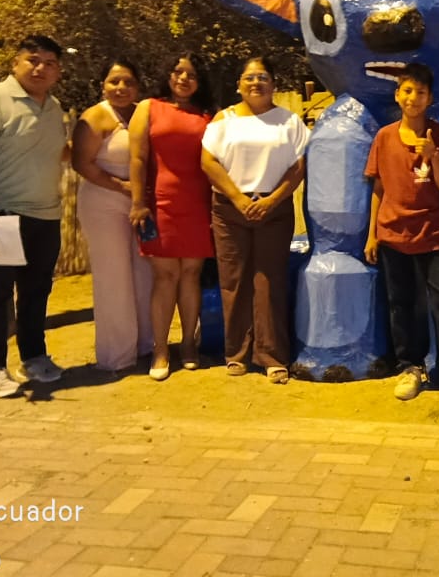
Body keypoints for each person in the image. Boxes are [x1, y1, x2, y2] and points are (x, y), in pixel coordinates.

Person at [364, 63, 439, 410]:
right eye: (407, 91)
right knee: (401, 306)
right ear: (397, 95)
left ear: (430, 99)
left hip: (433, 236)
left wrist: (434, 156)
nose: (413, 98)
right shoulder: (384, 137)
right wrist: (372, 235)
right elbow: (378, 188)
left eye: (421, 92)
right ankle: (410, 368)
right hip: (392, 234)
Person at [0, 34, 69, 398]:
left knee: (37, 291)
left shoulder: (53, 107)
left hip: (45, 214)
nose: (40, 68)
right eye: (33, 60)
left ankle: (34, 358)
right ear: (15, 63)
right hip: (0, 214)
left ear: (57, 71)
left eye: (49, 63)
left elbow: (56, 152)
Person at [200, 56, 308, 384]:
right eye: (249, 77)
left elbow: (298, 167)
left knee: (269, 281)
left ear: (273, 83)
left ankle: (272, 356)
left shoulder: (289, 122)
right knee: (233, 281)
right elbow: (208, 162)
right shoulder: (224, 119)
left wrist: (272, 201)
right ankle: (236, 352)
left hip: (274, 209)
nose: (256, 83)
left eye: (262, 77)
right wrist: (238, 198)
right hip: (230, 208)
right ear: (239, 84)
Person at [128, 52, 215, 381]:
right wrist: (138, 202)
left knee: (191, 275)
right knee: (165, 277)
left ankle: (189, 344)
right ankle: (161, 349)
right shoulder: (148, 107)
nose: (183, 78)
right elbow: (137, 158)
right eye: (178, 72)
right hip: (158, 204)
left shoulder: (208, 115)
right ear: (168, 75)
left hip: (197, 205)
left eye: (191, 74)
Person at [72, 59, 153, 372]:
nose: (121, 88)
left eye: (128, 82)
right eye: (114, 81)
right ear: (103, 85)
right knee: (114, 277)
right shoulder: (95, 117)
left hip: (139, 203)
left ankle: (145, 345)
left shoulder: (142, 113)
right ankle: (117, 356)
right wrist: (122, 187)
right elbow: (81, 163)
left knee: (144, 275)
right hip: (104, 201)